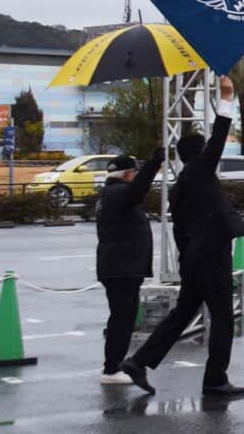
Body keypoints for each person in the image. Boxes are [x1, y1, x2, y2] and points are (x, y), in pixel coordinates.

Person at [121, 76, 244, 397]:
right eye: (207, 148)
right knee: (222, 316)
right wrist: (226, 97)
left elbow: (180, 230)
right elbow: (220, 135)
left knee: (182, 313)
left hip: (192, 257)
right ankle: (215, 379)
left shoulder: (180, 187)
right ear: (202, 152)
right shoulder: (201, 171)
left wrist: (188, 259)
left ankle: (139, 362)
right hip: (210, 256)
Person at [96, 148, 164, 385]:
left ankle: (113, 366)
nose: (136, 177)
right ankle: (112, 368)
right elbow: (138, 190)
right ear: (127, 175)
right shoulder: (119, 194)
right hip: (122, 266)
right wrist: (154, 163)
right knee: (122, 319)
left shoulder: (111, 194)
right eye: (134, 173)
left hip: (119, 265)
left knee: (121, 317)